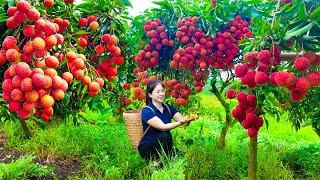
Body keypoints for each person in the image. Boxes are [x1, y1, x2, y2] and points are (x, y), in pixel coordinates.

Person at [138, 80, 197, 161]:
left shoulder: (168, 108)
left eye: (162, 91)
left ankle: (166, 156)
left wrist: (189, 118)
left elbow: (184, 122)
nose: (161, 94)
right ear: (150, 94)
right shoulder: (147, 111)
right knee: (165, 134)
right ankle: (157, 162)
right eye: (158, 92)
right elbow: (163, 127)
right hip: (147, 148)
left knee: (183, 156)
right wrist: (181, 122)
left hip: (164, 145)